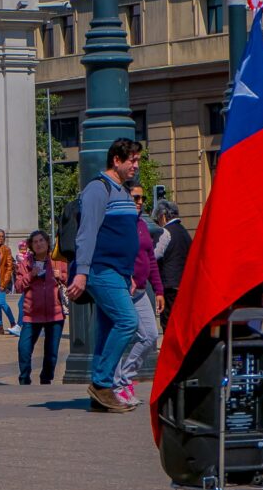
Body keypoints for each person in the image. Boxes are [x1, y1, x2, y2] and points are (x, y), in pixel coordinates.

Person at [65, 138, 141, 413]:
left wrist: (128, 273)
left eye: (137, 160)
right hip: (101, 269)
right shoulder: (98, 189)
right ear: (116, 161)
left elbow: (122, 237)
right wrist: (82, 273)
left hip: (118, 272)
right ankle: (101, 384)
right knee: (127, 321)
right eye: (131, 160)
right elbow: (86, 234)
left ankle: (100, 395)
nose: (136, 165)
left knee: (108, 328)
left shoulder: (122, 190)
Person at [112, 182, 165, 406]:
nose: (140, 202)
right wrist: (126, 276)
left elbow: (150, 258)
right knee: (120, 336)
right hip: (124, 289)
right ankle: (117, 385)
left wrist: (159, 290)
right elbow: (113, 254)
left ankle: (126, 377)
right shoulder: (119, 225)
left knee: (151, 336)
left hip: (142, 291)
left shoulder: (142, 225)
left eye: (142, 198)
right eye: (135, 198)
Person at [15, 230, 67, 384]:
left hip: (55, 312)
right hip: (32, 314)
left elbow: (70, 279)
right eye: (35, 242)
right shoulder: (26, 263)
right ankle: (24, 378)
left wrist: (61, 276)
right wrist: (31, 275)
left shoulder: (57, 260)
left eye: (41, 241)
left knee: (51, 353)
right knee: (24, 348)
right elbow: (17, 286)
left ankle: (46, 379)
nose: (38, 244)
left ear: (47, 242)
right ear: (31, 245)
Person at [152, 199, 192, 329]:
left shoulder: (165, 232)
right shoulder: (184, 232)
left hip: (169, 285)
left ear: (163, 216)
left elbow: (154, 255)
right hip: (183, 285)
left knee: (168, 323)